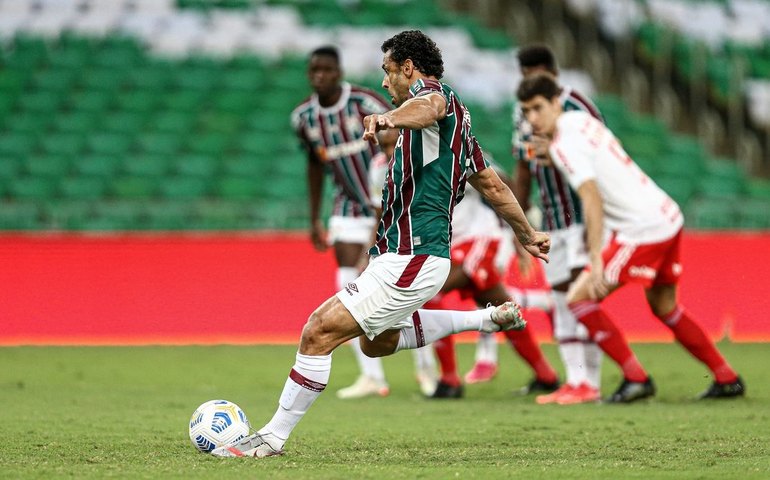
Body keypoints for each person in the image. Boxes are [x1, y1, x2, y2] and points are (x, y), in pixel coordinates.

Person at [212, 30, 550, 458]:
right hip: (404, 256)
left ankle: (271, 438)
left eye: (388, 73)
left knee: (318, 331)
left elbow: (428, 105)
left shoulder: (434, 98)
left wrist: (390, 119)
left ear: (409, 68)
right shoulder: (460, 127)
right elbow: (492, 185)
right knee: (376, 342)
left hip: (416, 253)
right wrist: (527, 233)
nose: (385, 84)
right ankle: (482, 321)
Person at [516, 72, 745, 403]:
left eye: (538, 107)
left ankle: (636, 378)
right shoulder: (580, 121)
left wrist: (595, 260)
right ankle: (726, 378)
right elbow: (609, 155)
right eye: (526, 111)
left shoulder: (565, 143)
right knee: (664, 306)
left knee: (580, 297)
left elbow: (591, 197)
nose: (533, 118)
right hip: (667, 214)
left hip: (643, 229)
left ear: (555, 103)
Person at [291, 46, 436, 399]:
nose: (319, 76)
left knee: (400, 289)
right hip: (347, 205)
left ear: (339, 72)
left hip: (388, 203)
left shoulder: (365, 103)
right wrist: (314, 218)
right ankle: (372, 376)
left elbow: (404, 129)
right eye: (314, 70)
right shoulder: (304, 118)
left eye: (326, 69)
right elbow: (314, 164)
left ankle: (427, 369)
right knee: (346, 281)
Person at [417, 166, 559, 399]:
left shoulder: (451, 149)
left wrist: (520, 231)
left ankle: (450, 379)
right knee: (502, 309)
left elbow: (498, 183)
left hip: (478, 239)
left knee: (430, 294)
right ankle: (546, 376)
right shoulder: (390, 166)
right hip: (447, 247)